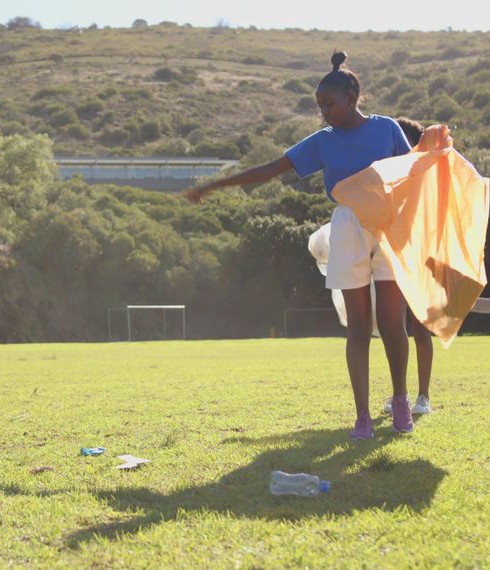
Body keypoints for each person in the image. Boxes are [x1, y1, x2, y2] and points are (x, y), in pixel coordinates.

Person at [185, 52, 413, 439]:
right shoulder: (322, 141)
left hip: (389, 227)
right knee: (358, 327)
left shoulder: (387, 129)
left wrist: (438, 152)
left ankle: (402, 399)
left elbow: (415, 173)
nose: (325, 113)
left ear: (352, 96)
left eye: (330, 104)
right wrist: (214, 185)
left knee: (392, 322)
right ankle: (362, 416)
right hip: (347, 228)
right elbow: (271, 168)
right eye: (320, 106)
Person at [383, 117, 433, 416]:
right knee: (394, 327)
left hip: (421, 257)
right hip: (394, 257)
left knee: (421, 328)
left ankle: (424, 395)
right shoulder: (391, 177)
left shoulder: (424, 176)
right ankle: (398, 394)